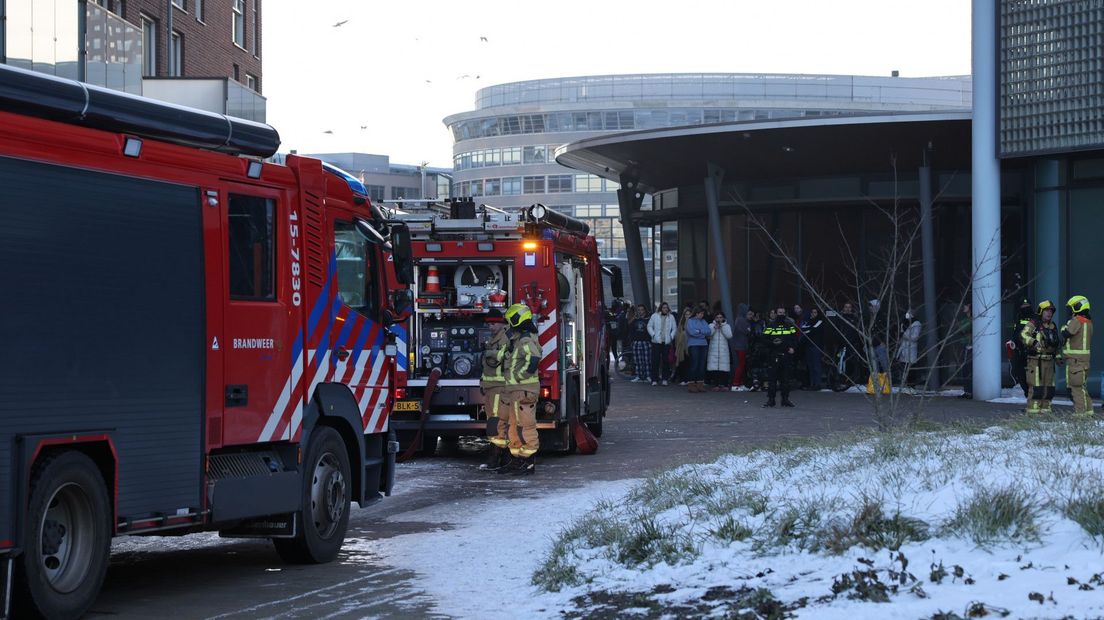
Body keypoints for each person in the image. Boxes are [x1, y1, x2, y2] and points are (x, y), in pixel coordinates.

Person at [498, 303, 542, 475]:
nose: (508, 324)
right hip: (516, 390)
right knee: (514, 427)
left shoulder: (526, 340)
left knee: (526, 427)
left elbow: (534, 358)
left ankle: (528, 463)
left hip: (524, 390)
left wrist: (520, 376)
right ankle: (517, 460)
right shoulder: (517, 340)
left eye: (510, 321)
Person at [478, 309, 512, 472]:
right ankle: (501, 458)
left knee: (497, 423)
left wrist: (488, 352)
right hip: (491, 387)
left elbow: (502, 357)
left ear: (501, 323)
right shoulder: (494, 338)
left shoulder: (505, 339)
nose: (490, 327)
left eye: (493, 323)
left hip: (500, 388)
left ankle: (497, 458)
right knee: (493, 422)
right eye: (489, 324)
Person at [1021, 300, 1060, 414]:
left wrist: (1058, 356)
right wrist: (1032, 342)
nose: (1049, 313)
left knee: (1049, 389)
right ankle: (1033, 412)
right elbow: (1023, 335)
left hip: (1049, 361)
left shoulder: (1053, 326)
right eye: (1047, 310)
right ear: (1041, 312)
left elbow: (1055, 344)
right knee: (1036, 388)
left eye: (1051, 311)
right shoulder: (1034, 324)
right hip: (1035, 361)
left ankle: (1046, 411)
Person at [1061, 295, 1094, 416]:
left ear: (1077, 307)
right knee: (1082, 388)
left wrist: (1063, 327)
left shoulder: (1077, 320)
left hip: (1075, 362)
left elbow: (1067, 332)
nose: (1069, 312)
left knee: (1076, 389)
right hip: (1084, 362)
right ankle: (1089, 412)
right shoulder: (1088, 322)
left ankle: (1080, 415)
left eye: (1071, 308)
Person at [763, 306, 797, 407]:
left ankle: (785, 399)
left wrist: (793, 348)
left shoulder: (789, 325)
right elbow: (764, 339)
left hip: (786, 355)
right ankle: (771, 400)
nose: (781, 314)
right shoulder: (771, 325)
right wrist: (773, 343)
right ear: (776, 313)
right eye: (779, 312)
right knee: (772, 379)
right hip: (774, 354)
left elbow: (795, 338)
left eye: (783, 312)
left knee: (786, 379)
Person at [1007, 300, 1033, 398]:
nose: (1025, 307)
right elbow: (1016, 333)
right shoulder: (1018, 317)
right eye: (1023, 305)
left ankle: (1032, 401)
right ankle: (1029, 398)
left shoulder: (1034, 318)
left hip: (1030, 352)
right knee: (1020, 375)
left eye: (1027, 305)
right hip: (1019, 352)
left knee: (1031, 378)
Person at [647, 302, 676, 386]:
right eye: (663, 308)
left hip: (666, 342)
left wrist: (671, 336)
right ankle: (654, 379)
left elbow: (674, 328)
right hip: (656, 341)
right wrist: (653, 335)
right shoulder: (654, 316)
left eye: (666, 308)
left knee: (666, 361)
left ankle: (664, 379)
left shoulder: (671, 317)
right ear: (660, 308)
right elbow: (649, 326)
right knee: (655, 360)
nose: (665, 309)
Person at [685, 307, 711, 392]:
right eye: (701, 313)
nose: (702, 315)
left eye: (703, 314)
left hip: (704, 345)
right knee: (694, 364)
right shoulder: (690, 321)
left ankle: (700, 384)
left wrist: (699, 331)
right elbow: (691, 332)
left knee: (702, 365)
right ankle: (691, 384)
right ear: (696, 313)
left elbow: (709, 331)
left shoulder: (704, 321)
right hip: (693, 345)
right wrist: (702, 333)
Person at [706, 311, 733, 391]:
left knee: (724, 368)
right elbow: (709, 335)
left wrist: (722, 327)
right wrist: (715, 328)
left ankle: (724, 384)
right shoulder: (711, 325)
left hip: (723, 350)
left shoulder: (727, 326)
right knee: (715, 368)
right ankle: (716, 384)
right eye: (717, 317)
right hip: (713, 349)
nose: (719, 319)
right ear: (715, 318)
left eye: (720, 317)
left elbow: (729, 336)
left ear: (723, 318)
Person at [895, 310, 922, 388]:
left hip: (911, 348)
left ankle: (911, 385)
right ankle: (905, 384)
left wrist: (904, 335)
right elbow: (901, 334)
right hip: (903, 347)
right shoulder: (904, 323)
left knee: (911, 368)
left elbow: (915, 337)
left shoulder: (916, 324)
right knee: (903, 366)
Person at [801, 308, 826, 390]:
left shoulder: (820, 321)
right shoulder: (808, 321)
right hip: (808, 346)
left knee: (816, 366)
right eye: (812, 312)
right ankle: (812, 384)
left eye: (815, 312)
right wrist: (808, 330)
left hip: (816, 346)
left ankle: (818, 384)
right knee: (810, 366)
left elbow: (813, 330)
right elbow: (803, 329)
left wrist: (808, 330)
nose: (813, 314)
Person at [629, 304, 652, 383]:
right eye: (639, 310)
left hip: (646, 342)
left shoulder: (648, 319)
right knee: (637, 360)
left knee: (647, 360)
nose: (640, 311)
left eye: (642, 310)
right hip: (636, 342)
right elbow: (630, 328)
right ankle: (639, 376)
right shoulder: (635, 319)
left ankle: (648, 376)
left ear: (645, 310)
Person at [730, 304, 751, 391]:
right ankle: (736, 384)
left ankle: (740, 383)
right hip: (741, 346)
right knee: (741, 365)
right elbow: (747, 331)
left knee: (742, 365)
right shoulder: (742, 320)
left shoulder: (738, 319)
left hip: (740, 345)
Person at [674, 307, 693, 385]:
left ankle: (689, 379)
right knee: (682, 363)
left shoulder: (693, 323)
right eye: (686, 314)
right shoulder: (681, 323)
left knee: (689, 363)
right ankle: (683, 379)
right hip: (681, 347)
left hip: (690, 345)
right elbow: (677, 334)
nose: (687, 316)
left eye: (689, 314)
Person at [958, 303, 973, 399]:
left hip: (972, 346)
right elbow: (961, 329)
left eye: (966, 305)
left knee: (970, 369)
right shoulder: (965, 320)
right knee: (965, 370)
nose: (964, 307)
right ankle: (967, 391)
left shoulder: (973, 319)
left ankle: (970, 391)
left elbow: (964, 328)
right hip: (966, 345)